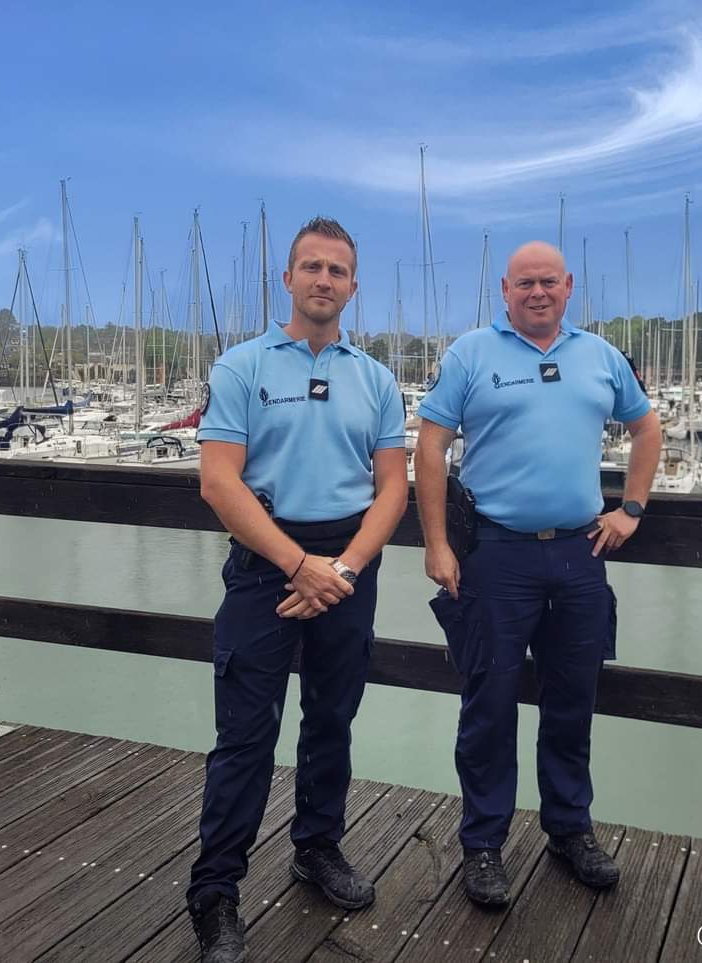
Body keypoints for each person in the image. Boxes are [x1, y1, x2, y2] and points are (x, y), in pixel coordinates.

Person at [186, 217, 408, 963]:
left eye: (337, 270)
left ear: (351, 285)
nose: (323, 279)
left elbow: (392, 491)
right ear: (287, 279)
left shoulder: (375, 378)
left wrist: (340, 569)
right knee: (245, 736)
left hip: (349, 566)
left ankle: (317, 847)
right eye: (311, 266)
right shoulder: (243, 367)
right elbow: (220, 481)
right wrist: (296, 563)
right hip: (264, 566)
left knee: (331, 721)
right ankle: (215, 892)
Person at [413, 240, 660, 908]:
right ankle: (484, 842)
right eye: (525, 282)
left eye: (548, 281)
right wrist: (437, 543)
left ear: (569, 285)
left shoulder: (600, 356)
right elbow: (429, 447)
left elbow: (647, 427)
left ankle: (569, 829)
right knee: (488, 704)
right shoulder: (471, 353)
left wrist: (631, 508)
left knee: (572, 699)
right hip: (495, 555)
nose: (538, 292)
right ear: (505, 289)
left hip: (579, 555)